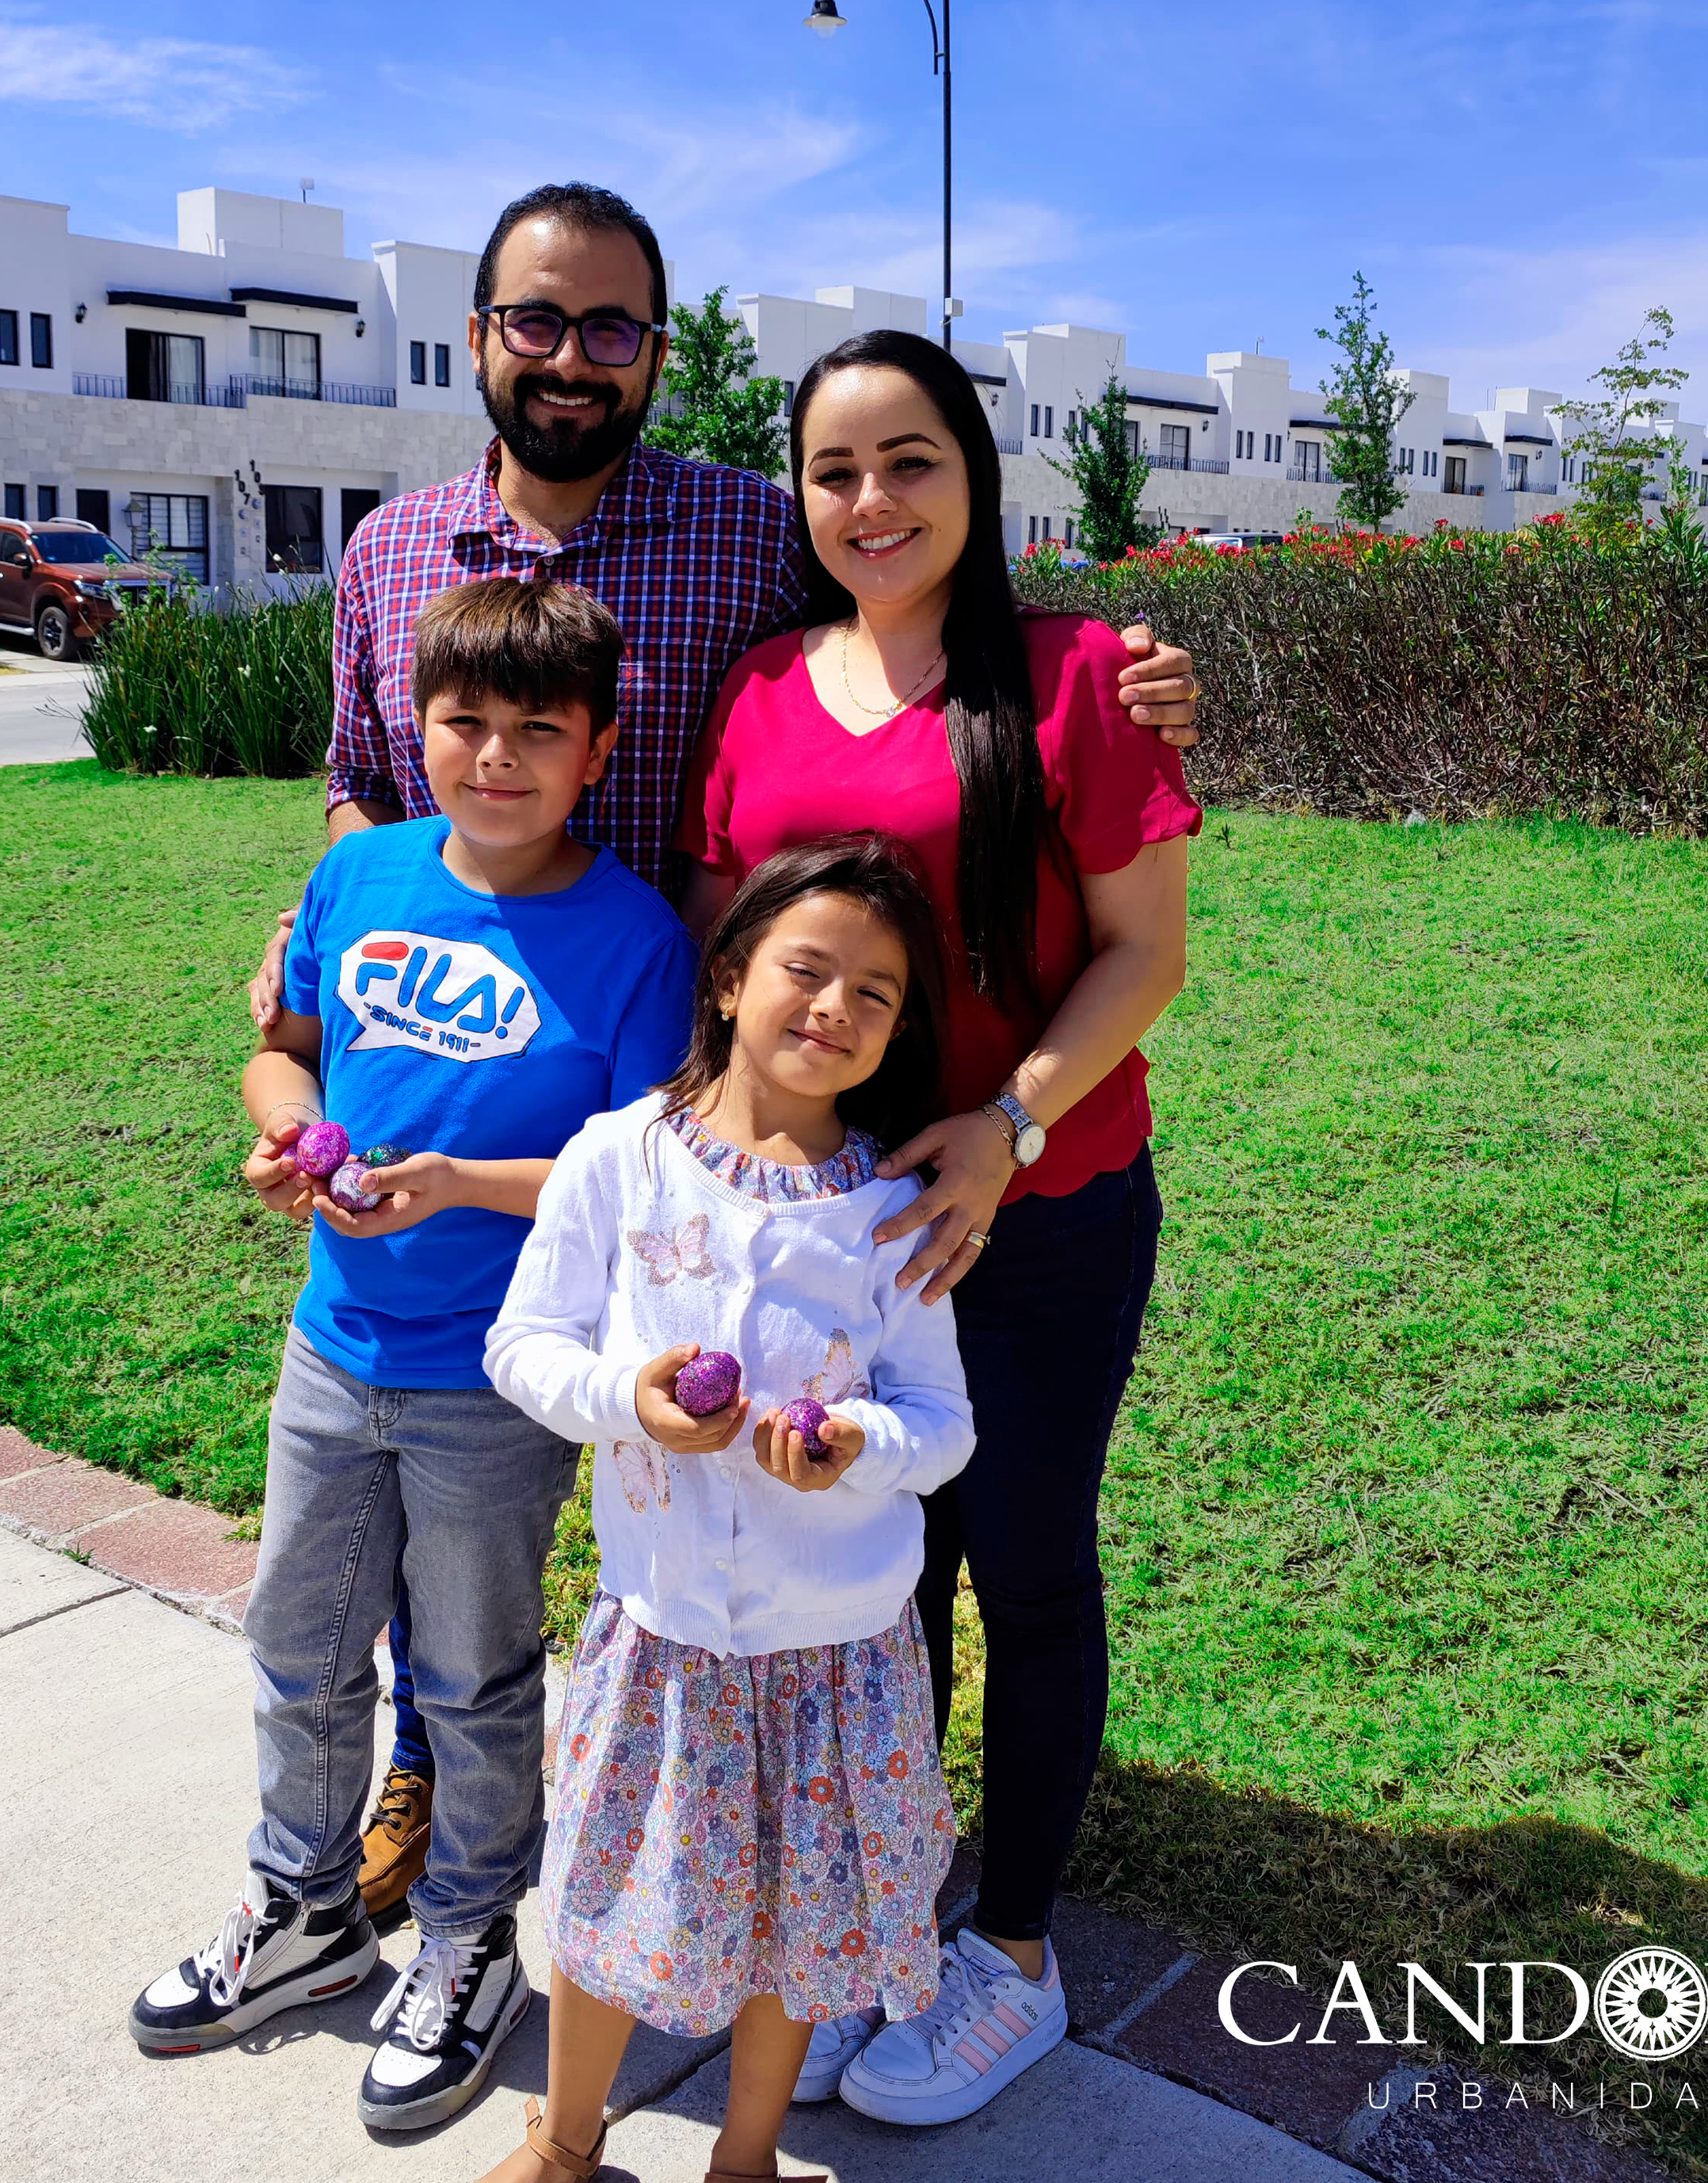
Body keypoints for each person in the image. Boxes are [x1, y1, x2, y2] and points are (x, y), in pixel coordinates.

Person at [246, 179, 1205, 1918]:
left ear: (656, 356)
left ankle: (948, 1911)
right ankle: (448, 1781)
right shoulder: (391, 554)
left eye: (611, 327)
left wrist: (1141, 678)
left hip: (819, 1127)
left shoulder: (753, 543)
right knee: (461, 1455)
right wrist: (316, 921)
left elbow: (938, 608)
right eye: (536, 320)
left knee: (913, 1527)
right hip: (585, 1101)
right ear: (477, 337)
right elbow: (359, 780)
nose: (569, 356)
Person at [681, 327, 1199, 2125]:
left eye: (910, 459)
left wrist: (1006, 1124)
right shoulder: (756, 694)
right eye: (835, 470)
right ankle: (889, 1920)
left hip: (1039, 1212)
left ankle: (1019, 1954)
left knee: (1027, 1560)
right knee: (880, 1586)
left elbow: (1147, 952)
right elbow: (726, 954)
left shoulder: (1072, 681)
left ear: (973, 475)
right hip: (837, 1230)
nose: (872, 498)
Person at [131, 578, 698, 2142]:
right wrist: (278, 1139)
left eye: (538, 732)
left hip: (496, 1378)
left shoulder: (634, 939)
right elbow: (281, 1051)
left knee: (467, 1672)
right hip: (334, 1342)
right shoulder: (362, 872)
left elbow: (640, 1169)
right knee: (299, 1648)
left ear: (595, 750)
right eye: (464, 722)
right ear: (417, 726)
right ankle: (305, 1914)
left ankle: (463, 1945)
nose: (496, 757)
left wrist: (452, 1185)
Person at [481, 836, 976, 2183]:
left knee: (798, 1925)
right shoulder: (618, 1160)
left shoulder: (890, 1209)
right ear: (726, 977)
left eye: (876, 993)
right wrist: (627, 1400)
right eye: (806, 971)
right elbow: (522, 1344)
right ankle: (568, 2140)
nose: (835, 1008)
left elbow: (944, 1426)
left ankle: (744, 2157)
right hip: (665, 1635)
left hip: (841, 1653)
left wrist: (853, 1442)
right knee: (602, 1907)